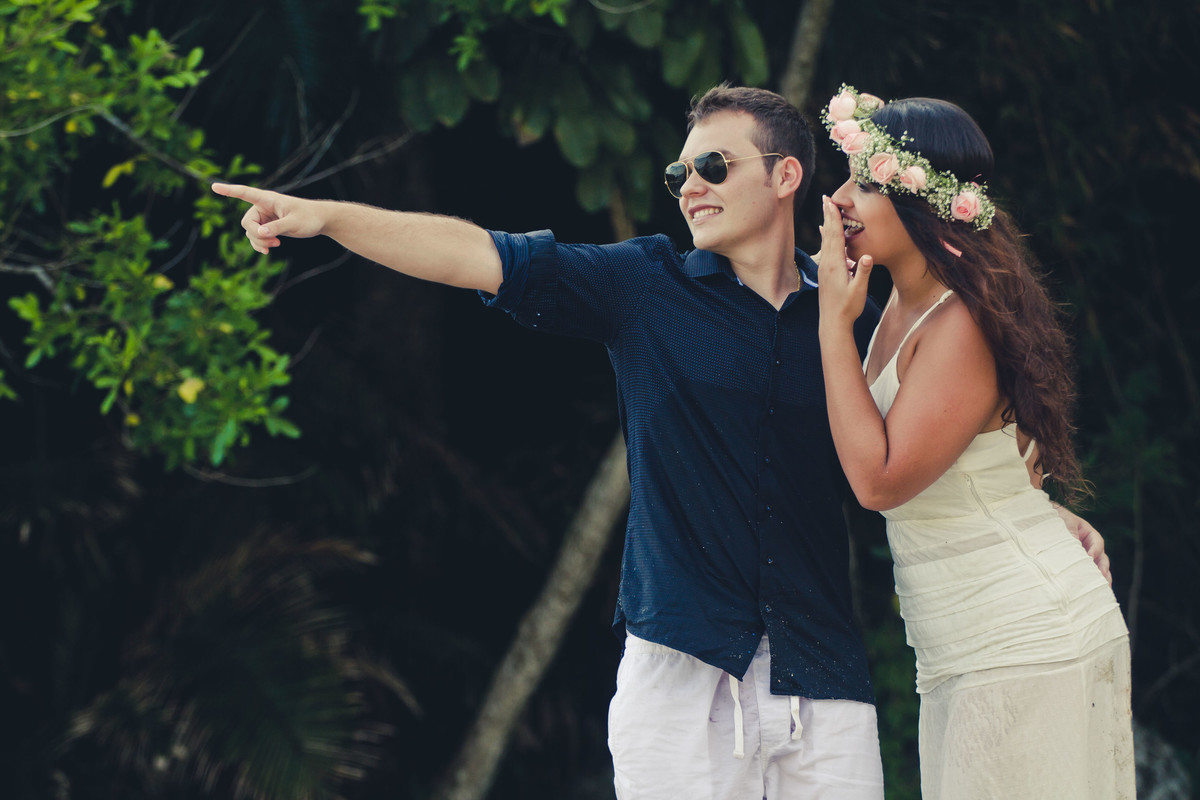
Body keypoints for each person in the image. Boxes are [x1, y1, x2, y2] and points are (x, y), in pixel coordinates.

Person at [213, 84, 1108, 799]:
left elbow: (941, 424)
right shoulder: (641, 287)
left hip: (823, 674)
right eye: (678, 172)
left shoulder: (854, 314)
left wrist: (1037, 515)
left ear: (789, 175)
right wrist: (330, 216)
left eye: (712, 164)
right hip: (681, 669)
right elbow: (474, 255)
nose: (690, 185)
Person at [814, 85, 1134, 799]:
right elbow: (969, 456)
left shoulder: (958, 323)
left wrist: (834, 327)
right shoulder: (899, 296)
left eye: (864, 181)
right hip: (965, 644)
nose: (838, 197)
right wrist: (1042, 507)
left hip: (1022, 640)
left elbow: (879, 481)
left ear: (923, 201)